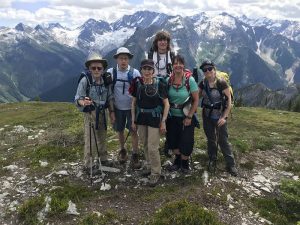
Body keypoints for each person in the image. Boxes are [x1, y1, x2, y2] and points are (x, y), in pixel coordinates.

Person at [130, 59, 169, 186]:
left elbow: (166, 104)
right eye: (145, 69)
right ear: (141, 70)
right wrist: (133, 120)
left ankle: (156, 172)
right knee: (145, 144)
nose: (147, 71)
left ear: (153, 71)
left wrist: (163, 121)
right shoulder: (137, 83)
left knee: (153, 147)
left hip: (154, 119)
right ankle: (149, 165)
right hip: (141, 118)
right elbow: (133, 103)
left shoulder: (160, 84)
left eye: (149, 69)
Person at [75, 52, 115, 173]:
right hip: (90, 112)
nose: (96, 70)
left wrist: (112, 112)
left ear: (103, 69)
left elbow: (110, 97)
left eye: (99, 68)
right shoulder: (85, 80)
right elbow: (77, 98)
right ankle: (89, 165)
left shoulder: (106, 80)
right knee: (90, 138)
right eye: (93, 68)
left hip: (103, 112)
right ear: (89, 68)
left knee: (102, 136)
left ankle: (103, 159)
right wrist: (84, 103)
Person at [198, 60, 238, 176]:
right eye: (204, 70)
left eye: (210, 69)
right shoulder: (203, 83)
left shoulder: (221, 83)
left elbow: (229, 101)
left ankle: (231, 165)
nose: (207, 71)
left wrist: (224, 117)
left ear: (214, 69)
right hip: (207, 116)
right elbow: (197, 96)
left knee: (223, 141)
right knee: (211, 139)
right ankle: (212, 159)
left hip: (220, 116)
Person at [107, 47, 141, 168]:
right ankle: (123, 150)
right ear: (117, 59)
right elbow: (109, 92)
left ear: (129, 60)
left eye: (125, 58)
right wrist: (111, 111)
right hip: (117, 108)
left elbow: (139, 92)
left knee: (133, 130)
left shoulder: (135, 73)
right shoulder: (111, 72)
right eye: (121, 58)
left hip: (131, 108)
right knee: (119, 130)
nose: (123, 61)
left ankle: (135, 153)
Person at [166, 54, 199, 173]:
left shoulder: (190, 80)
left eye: (180, 63)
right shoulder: (168, 80)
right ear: (172, 65)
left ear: (183, 65)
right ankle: (177, 161)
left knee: (186, 140)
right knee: (173, 140)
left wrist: (190, 116)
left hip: (186, 116)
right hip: (172, 117)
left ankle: (184, 164)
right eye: (175, 63)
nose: (178, 65)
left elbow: (196, 99)